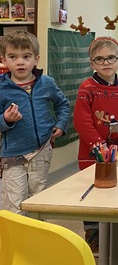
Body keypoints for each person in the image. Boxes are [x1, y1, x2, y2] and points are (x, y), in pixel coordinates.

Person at [74, 36, 118, 256]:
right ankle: (92, 233)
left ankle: (111, 228)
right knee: (92, 191)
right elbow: (82, 122)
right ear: (92, 64)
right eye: (99, 59)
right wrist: (100, 147)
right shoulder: (87, 89)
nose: (106, 62)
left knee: (115, 190)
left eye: (111, 57)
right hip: (93, 154)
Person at [0, 31, 70, 215]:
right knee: (15, 204)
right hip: (13, 155)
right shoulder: (2, 88)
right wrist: (6, 120)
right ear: (4, 60)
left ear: (36, 59)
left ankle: (37, 238)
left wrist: (61, 125)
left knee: (38, 198)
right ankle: (18, 243)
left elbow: (62, 104)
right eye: (13, 57)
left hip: (41, 150)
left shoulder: (46, 83)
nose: (20, 62)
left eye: (26, 56)